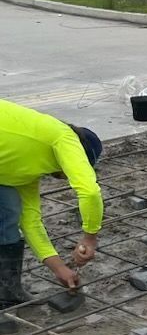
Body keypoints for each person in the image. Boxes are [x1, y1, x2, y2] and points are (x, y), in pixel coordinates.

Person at [0, 98, 104, 309]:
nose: (67, 177)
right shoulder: (64, 137)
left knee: (10, 208)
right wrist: (90, 237)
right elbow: (90, 192)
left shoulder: (26, 169)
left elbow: (30, 222)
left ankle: (7, 292)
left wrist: (58, 268)